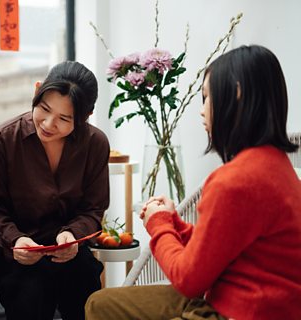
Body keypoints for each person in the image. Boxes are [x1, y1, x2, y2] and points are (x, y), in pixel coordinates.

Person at [85, 45, 301, 320]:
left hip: (238, 310)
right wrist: (173, 221)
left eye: (206, 97)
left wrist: (158, 223)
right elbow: (216, 250)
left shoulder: (235, 180)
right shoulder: (278, 167)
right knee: (100, 304)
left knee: (99, 306)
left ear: (236, 93)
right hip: (257, 303)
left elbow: (188, 280)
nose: (202, 111)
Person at [0, 61, 109, 320]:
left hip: (69, 253)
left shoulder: (95, 144)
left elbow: (93, 209)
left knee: (86, 287)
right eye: (44, 109)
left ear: (85, 117)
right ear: (37, 91)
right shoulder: (3, 139)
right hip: (16, 255)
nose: (49, 124)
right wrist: (15, 239)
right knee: (30, 293)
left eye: (64, 118)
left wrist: (73, 235)